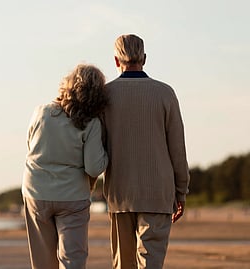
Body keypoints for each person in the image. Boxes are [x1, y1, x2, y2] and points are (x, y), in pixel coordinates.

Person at [103, 34, 190, 269]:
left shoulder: (105, 95)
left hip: (120, 193)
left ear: (115, 60)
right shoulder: (165, 93)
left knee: (123, 264)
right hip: (158, 192)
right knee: (151, 264)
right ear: (145, 58)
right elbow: (177, 148)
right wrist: (181, 191)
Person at [22, 64, 109, 269]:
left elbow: (30, 145)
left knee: (42, 261)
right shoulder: (91, 123)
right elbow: (94, 168)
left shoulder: (41, 112)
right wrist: (107, 154)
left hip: (36, 192)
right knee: (73, 260)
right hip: (72, 196)